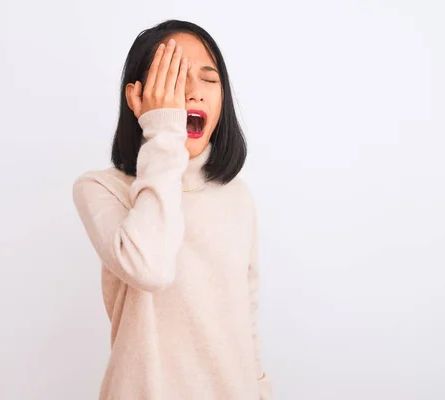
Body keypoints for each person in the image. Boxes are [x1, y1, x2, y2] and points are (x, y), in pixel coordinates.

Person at [73, 19, 272, 400]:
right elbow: (150, 268)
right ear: (138, 97)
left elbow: (244, 320)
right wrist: (164, 134)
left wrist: (262, 389)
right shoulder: (102, 190)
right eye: (176, 77)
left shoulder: (238, 197)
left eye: (209, 79)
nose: (195, 92)